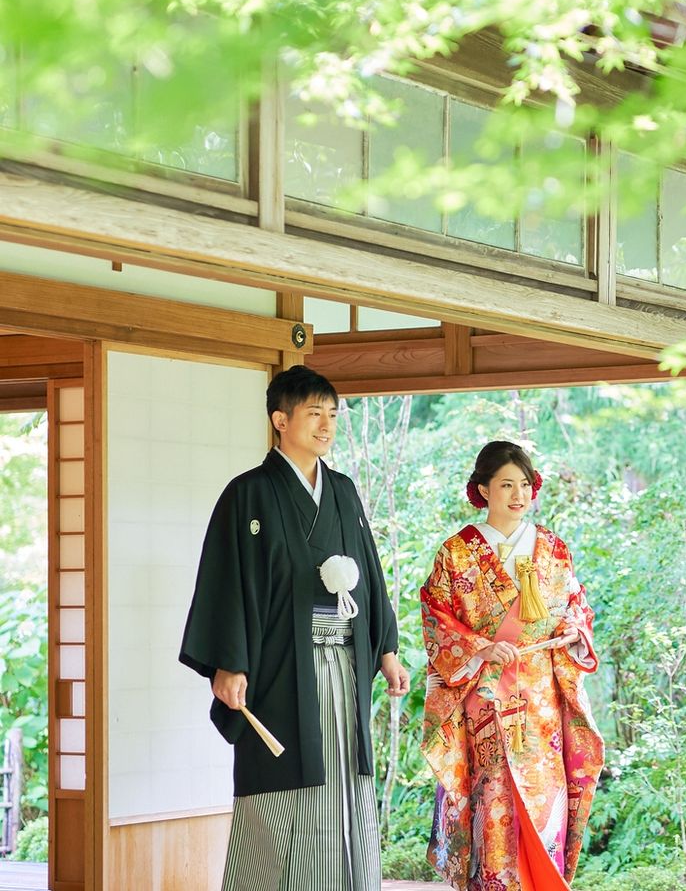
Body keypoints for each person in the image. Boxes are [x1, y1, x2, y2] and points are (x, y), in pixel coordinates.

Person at [180, 364, 410, 891]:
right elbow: (225, 580)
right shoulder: (248, 494)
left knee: (344, 779)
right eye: (314, 414)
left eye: (332, 415)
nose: (327, 425)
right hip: (279, 669)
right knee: (281, 782)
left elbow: (370, 573)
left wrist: (386, 650)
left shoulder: (343, 491)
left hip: (344, 667)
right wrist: (228, 662)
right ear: (280, 420)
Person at [420, 439, 604, 891]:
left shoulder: (553, 548)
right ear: (483, 489)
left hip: (541, 697)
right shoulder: (456, 553)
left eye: (524, 484)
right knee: (494, 797)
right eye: (506, 485)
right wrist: (481, 647)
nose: (518, 495)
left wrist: (575, 631)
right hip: (486, 695)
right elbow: (435, 615)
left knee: (544, 797)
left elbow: (577, 606)